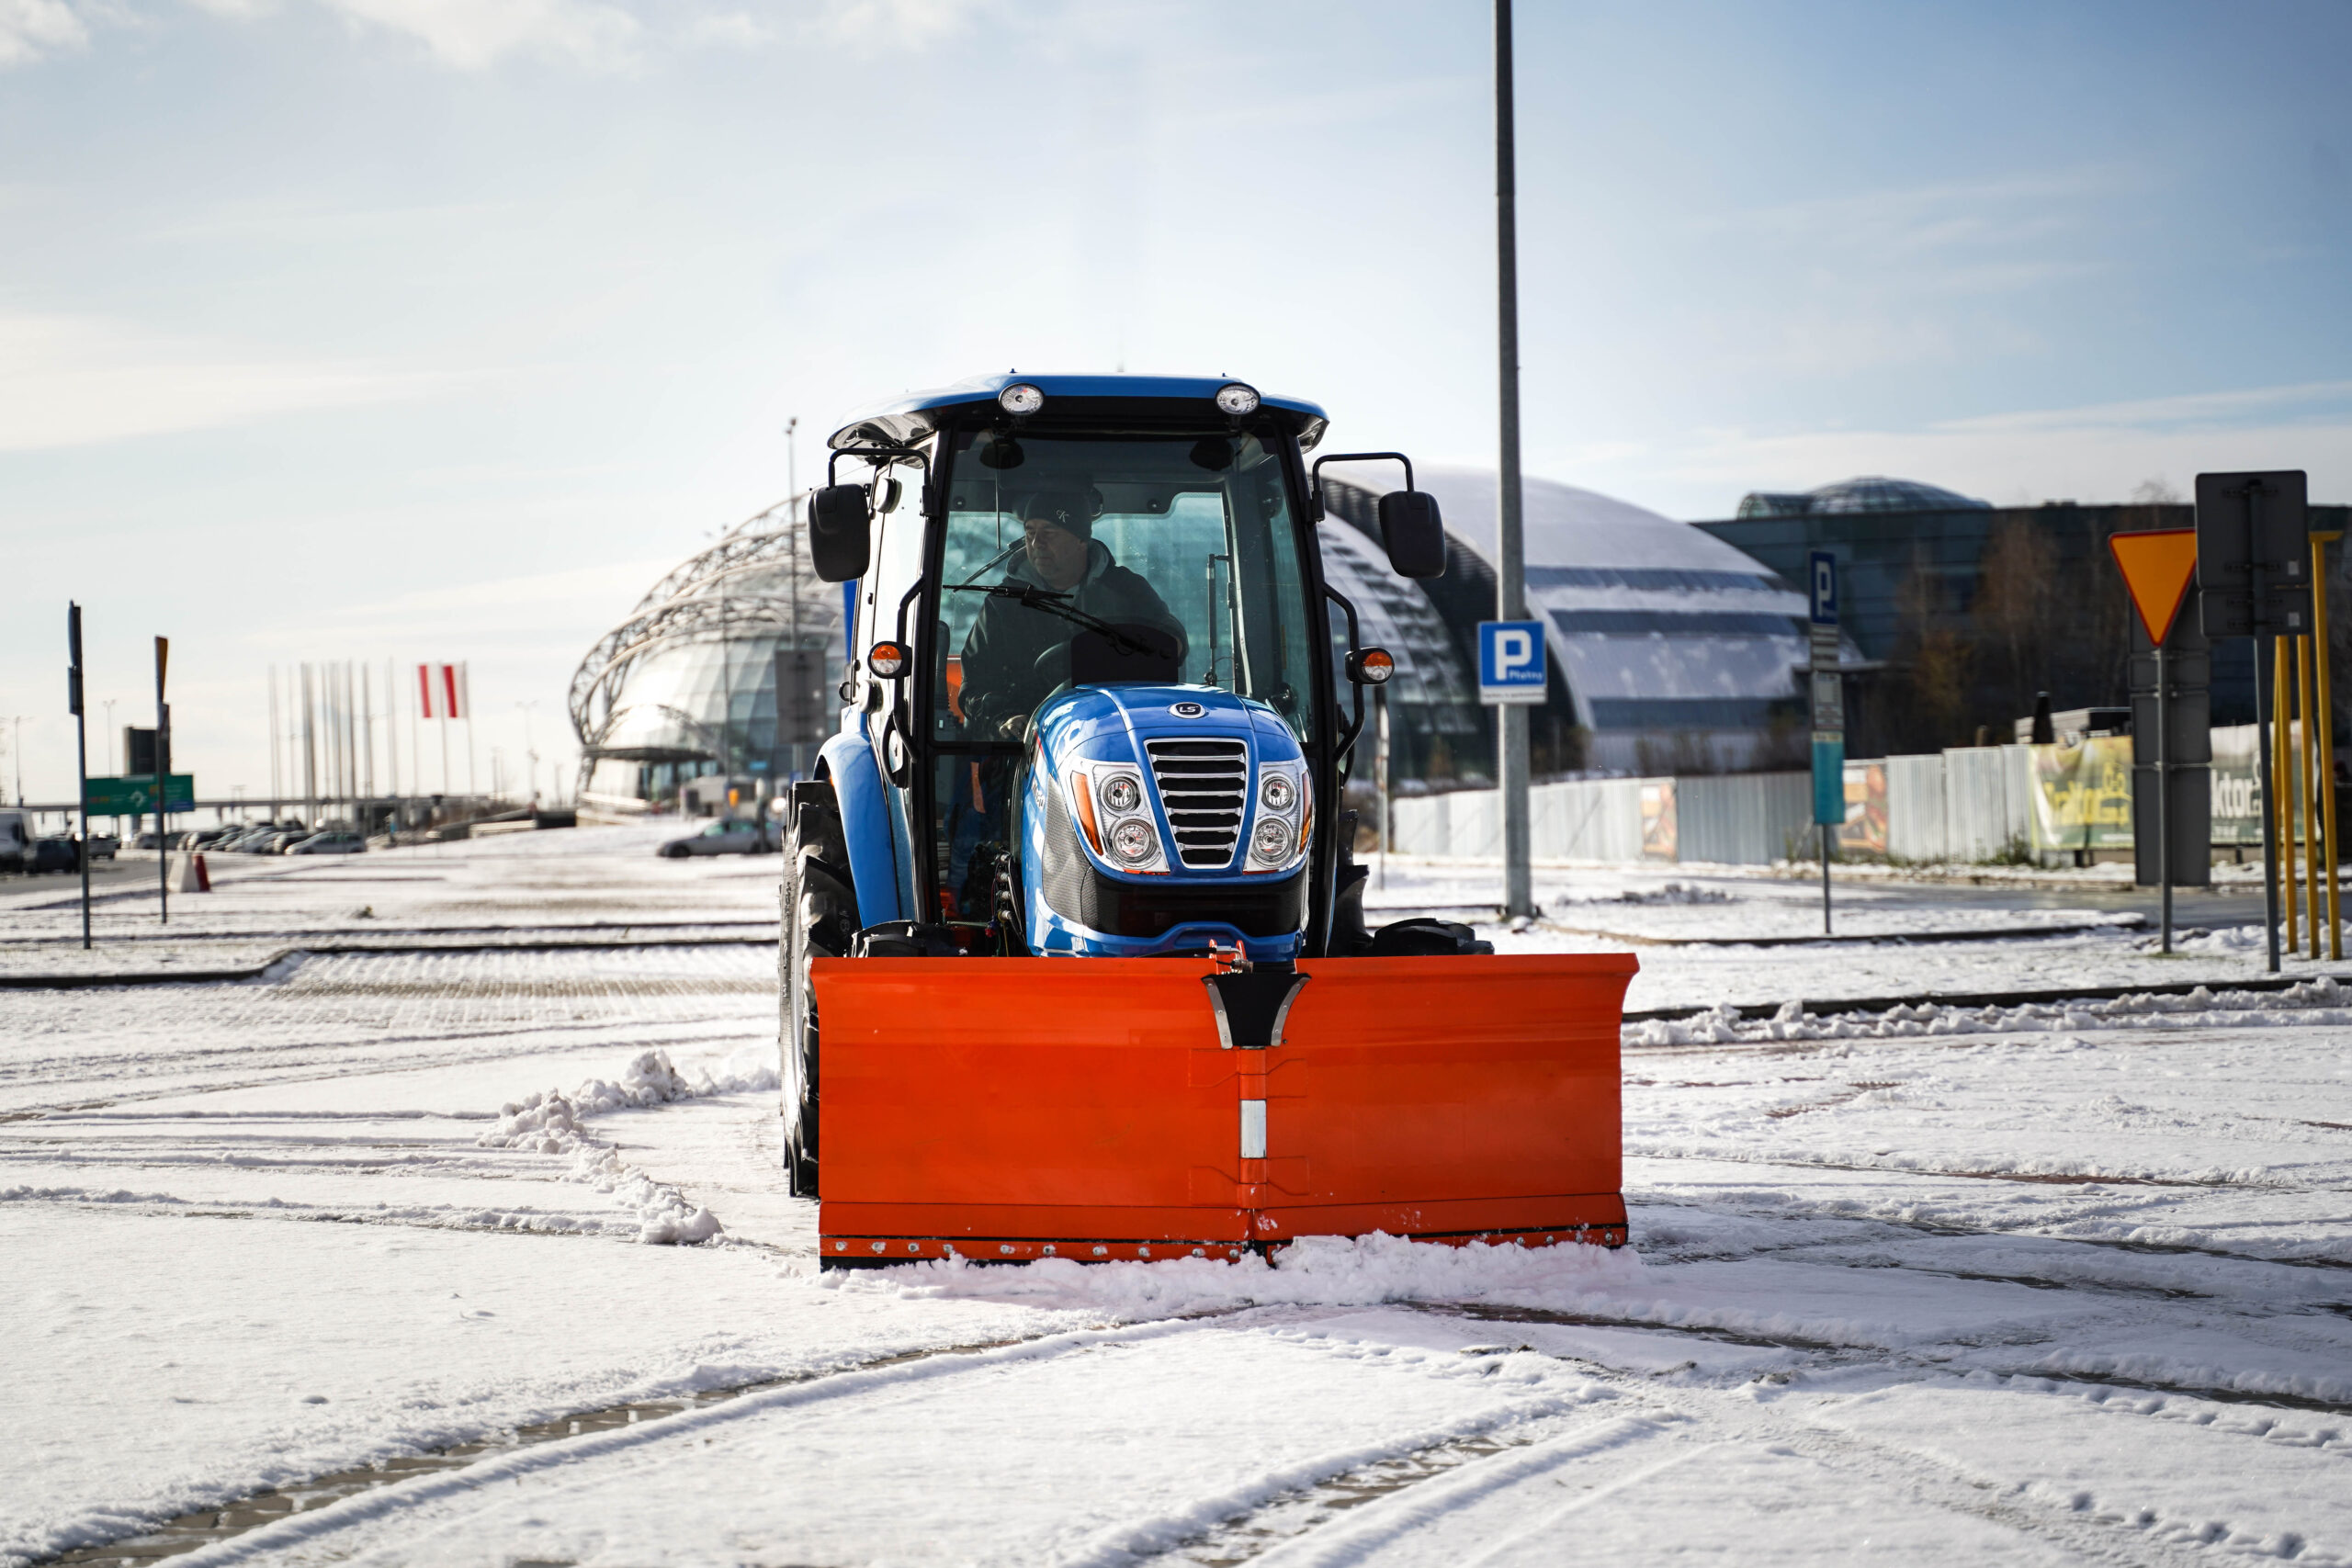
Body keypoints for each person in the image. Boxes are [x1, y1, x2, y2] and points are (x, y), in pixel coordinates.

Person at [957, 487, 1186, 740]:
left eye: (1049, 533)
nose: (1035, 544)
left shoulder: (1127, 590)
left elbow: (1170, 641)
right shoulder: (1002, 604)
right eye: (1030, 532)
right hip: (1026, 747)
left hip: (1115, 733)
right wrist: (1005, 718)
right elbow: (974, 687)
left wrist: (1142, 651)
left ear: (1081, 540)